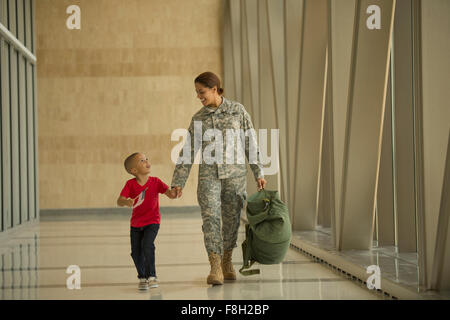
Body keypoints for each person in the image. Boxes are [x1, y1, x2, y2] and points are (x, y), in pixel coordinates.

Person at [170, 71, 267, 285]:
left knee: (231, 222)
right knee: (211, 219)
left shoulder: (237, 111)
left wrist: (259, 172)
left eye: (201, 92)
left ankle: (227, 261)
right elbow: (188, 151)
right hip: (208, 177)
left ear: (215, 89)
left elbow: (251, 142)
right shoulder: (198, 118)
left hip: (235, 177)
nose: (199, 96)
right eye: (197, 92)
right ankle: (214, 266)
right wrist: (178, 182)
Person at [117, 152, 177, 290]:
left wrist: (175, 192)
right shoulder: (130, 184)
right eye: (142, 161)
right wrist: (126, 201)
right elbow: (119, 200)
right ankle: (142, 277)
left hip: (152, 221)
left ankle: (152, 276)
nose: (146, 161)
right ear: (134, 170)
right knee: (135, 252)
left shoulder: (156, 182)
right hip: (136, 224)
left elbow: (170, 193)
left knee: (147, 245)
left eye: (146, 159)